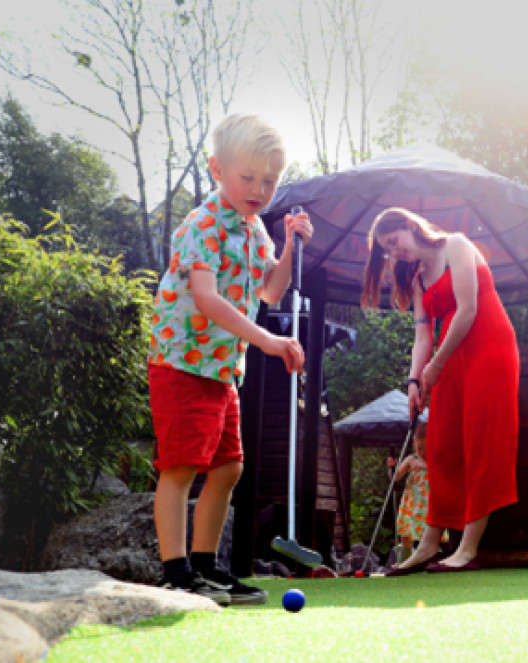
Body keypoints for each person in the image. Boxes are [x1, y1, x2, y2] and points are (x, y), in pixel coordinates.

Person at [147, 114, 313, 605]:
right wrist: (266, 341)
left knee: (228, 468)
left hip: (221, 369)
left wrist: (288, 248)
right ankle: (175, 571)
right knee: (180, 467)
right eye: (249, 178)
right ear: (218, 169)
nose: (259, 189)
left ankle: (205, 566)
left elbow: (272, 290)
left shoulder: (255, 228)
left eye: (269, 181)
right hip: (182, 363)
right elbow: (207, 299)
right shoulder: (202, 225)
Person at [361, 207, 519, 573]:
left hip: (488, 348)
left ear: (407, 225)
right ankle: (429, 545)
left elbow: (467, 310)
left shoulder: (457, 246)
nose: (394, 251)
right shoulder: (418, 277)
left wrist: (436, 365)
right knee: (441, 445)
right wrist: (415, 380)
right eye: (387, 249)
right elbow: (423, 335)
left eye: (393, 241)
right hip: (450, 358)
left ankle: (467, 548)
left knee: (480, 441)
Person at [386, 421, 445, 564]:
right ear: (414, 443)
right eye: (419, 449)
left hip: (429, 505)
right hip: (412, 504)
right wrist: (391, 468)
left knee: (433, 535)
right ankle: (403, 563)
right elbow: (396, 477)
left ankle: (432, 562)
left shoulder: (436, 461)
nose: (423, 453)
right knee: (406, 535)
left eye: (427, 448)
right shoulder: (412, 460)